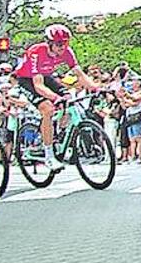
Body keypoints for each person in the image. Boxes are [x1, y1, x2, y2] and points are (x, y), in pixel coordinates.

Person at [12, 22, 98, 171]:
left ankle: (56, 132)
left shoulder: (67, 52)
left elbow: (80, 74)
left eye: (65, 44)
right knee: (48, 108)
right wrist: (54, 98)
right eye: (58, 44)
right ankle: (49, 155)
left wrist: (96, 88)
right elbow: (38, 86)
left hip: (46, 76)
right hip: (27, 80)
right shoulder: (36, 51)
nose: (62, 48)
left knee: (68, 99)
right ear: (49, 43)